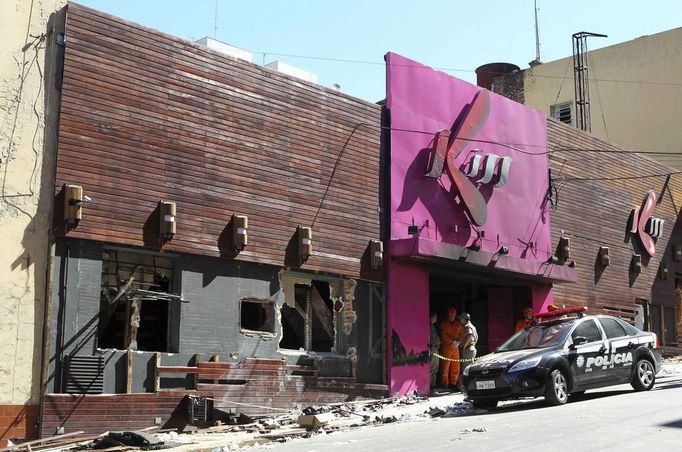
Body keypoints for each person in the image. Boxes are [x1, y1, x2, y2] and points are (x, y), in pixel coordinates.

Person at [439, 306, 463, 390]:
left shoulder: (458, 323)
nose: (451, 317)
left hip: (455, 347)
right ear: (447, 315)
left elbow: (461, 334)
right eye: (450, 316)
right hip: (446, 347)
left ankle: (453, 383)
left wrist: (458, 342)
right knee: (445, 366)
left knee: (456, 366)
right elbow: (443, 335)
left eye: (453, 316)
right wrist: (452, 341)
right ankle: (444, 384)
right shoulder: (443, 323)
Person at [459, 312, 478, 387]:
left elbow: (470, 337)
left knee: (466, 370)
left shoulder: (467, 326)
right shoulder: (472, 326)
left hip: (468, 349)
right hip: (472, 348)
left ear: (464, 319)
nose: (460, 320)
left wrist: (464, 347)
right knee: (470, 368)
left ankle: (467, 386)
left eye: (461, 319)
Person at [429, 312, 441, 388]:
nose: (436, 319)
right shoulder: (428, 326)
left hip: (435, 348)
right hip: (432, 348)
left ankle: (433, 383)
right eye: (435, 317)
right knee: (432, 367)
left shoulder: (432, 326)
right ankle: (430, 384)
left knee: (435, 367)